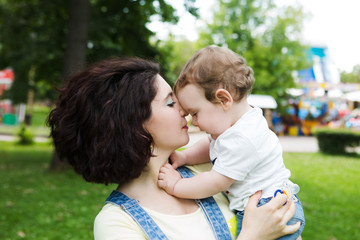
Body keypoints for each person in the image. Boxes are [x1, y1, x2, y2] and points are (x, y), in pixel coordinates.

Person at [48, 56, 301, 240]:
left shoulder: (204, 167)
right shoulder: (117, 224)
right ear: (133, 125)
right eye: (170, 103)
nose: (185, 111)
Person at [157, 46, 305, 239]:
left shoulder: (243, 139)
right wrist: (185, 156)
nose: (194, 121)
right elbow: (211, 144)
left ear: (224, 99)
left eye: (195, 113)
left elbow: (215, 181)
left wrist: (176, 185)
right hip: (272, 204)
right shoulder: (237, 125)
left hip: (270, 209)